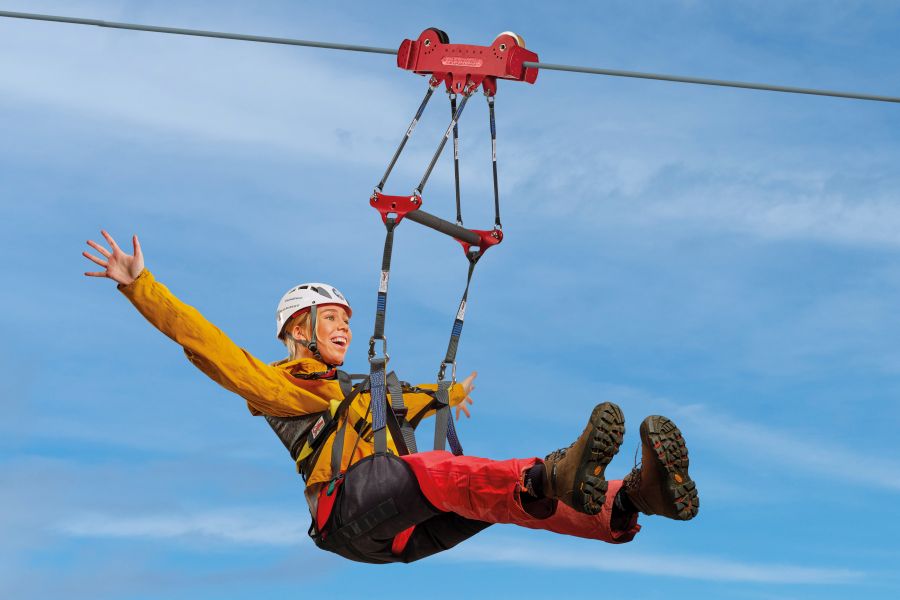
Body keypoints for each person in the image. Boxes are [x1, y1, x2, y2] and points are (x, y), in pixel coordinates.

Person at [82, 230, 700, 564]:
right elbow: (217, 351)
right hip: (348, 517)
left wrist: (450, 392)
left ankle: (628, 503)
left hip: (404, 533)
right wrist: (144, 290)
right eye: (331, 318)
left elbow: (411, 396)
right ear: (299, 330)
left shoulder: (364, 392)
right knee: (439, 470)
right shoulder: (283, 390)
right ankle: (548, 473)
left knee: (498, 500)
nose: (344, 327)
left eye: (347, 318)